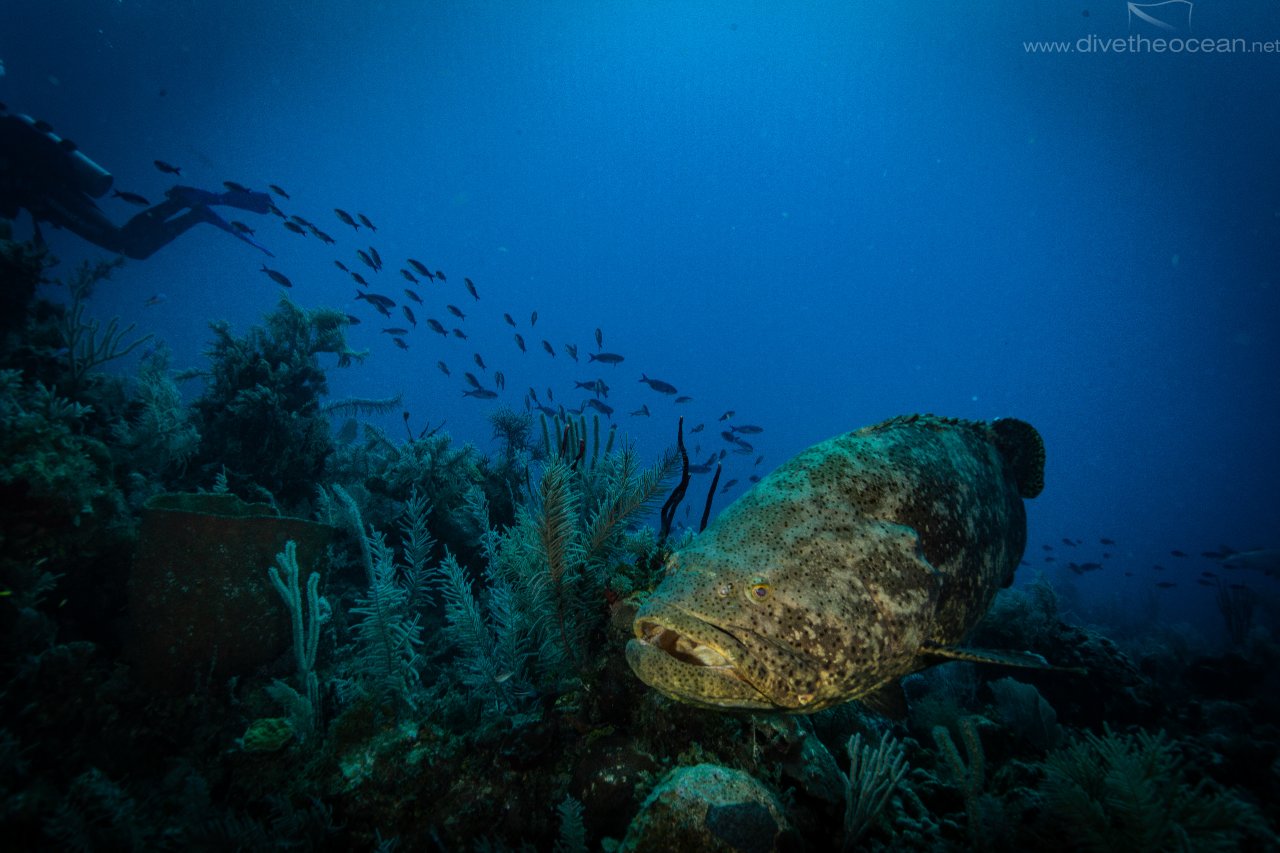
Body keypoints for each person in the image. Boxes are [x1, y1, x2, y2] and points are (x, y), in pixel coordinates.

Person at [0, 103, 272, 259]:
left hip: (50, 194)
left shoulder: (7, 137)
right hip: (55, 192)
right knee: (134, 249)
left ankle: (189, 207)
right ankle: (193, 210)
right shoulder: (10, 130)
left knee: (125, 243)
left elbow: (8, 208)